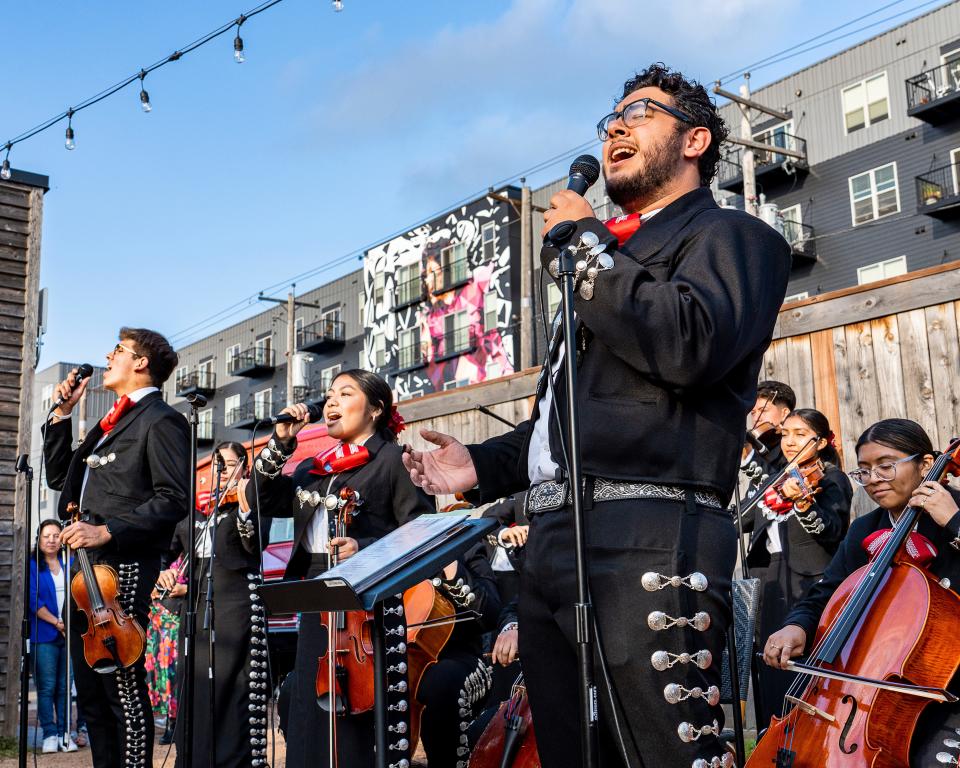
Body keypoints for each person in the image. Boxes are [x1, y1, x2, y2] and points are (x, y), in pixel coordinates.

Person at [402, 63, 791, 768]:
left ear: (696, 139)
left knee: (663, 755)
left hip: (647, 534)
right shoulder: (610, 261)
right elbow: (570, 423)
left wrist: (587, 247)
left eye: (639, 113)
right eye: (609, 117)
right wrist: (479, 465)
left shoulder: (732, 237)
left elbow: (689, 345)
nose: (615, 125)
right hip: (555, 541)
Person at [247, 369, 434, 768]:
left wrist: (364, 547)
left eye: (345, 394)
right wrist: (281, 441)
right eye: (328, 394)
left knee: (360, 721)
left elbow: (420, 534)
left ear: (376, 409)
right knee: (310, 713)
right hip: (315, 597)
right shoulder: (313, 470)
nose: (330, 403)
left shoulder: (394, 460)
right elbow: (258, 497)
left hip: (370, 606)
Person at [762, 418, 960, 764]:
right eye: (864, 471)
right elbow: (826, 593)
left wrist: (955, 522)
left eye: (885, 466)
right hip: (869, 695)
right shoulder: (864, 530)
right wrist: (798, 624)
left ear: (926, 465)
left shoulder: (955, 512)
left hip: (949, 693)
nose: (873, 480)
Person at [43, 328, 189, 768]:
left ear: (140, 362)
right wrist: (61, 416)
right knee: (91, 694)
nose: (108, 356)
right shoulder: (109, 426)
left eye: (119, 350)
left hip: (121, 567)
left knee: (121, 690)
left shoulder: (161, 420)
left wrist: (108, 531)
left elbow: (173, 498)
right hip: (84, 574)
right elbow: (58, 479)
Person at [158, 441, 268, 767]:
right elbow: (169, 549)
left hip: (236, 609)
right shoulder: (196, 512)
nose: (221, 470)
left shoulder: (250, 505)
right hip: (197, 611)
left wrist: (246, 504)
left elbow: (251, 548)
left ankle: (233, 761)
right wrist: (165, 572)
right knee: (193, 686)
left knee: (231, 690)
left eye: (230, 463)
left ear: (245, 469)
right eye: (217, 464)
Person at [741, 408, 852, 727]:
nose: (790, 441)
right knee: (768, 665)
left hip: (808, 583)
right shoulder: (776, 478)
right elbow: (742, 519)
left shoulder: (831, 478)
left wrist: (803, 503)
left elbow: (830, 531)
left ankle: (805, 738)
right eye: (786, 433)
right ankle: (770, 736)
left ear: (820, 442)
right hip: (766, 580)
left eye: (800, 435)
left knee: (797, 665)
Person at [29, 519, 78, 753]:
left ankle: (64, 733)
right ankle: (49, 733)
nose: (51, 539)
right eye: (46, 535)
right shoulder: (32, 566)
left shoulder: (68, 564)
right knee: (47, 687)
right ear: (38, 539)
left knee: (64, 687)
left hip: (69, 635)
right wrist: (59, 623)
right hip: (45, 634)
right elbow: (33, 601)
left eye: (56, 535)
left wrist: (69, 625)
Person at [736, 381, 796, 509]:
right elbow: (753, 504)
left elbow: (779, 491)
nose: (757, 417)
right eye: (753, 413)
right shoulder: (761, 447)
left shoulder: (792, 448)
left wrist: (750, 457)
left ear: (785, 413)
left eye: (764, 410)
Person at [144, 554, 184, 746]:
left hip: (176, 616)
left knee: (173, 671)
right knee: (160, 673)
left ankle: (175, 722)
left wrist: (183, 589)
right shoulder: (160, 553)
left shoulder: (188, 554)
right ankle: (168, 720)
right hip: (156, 617)